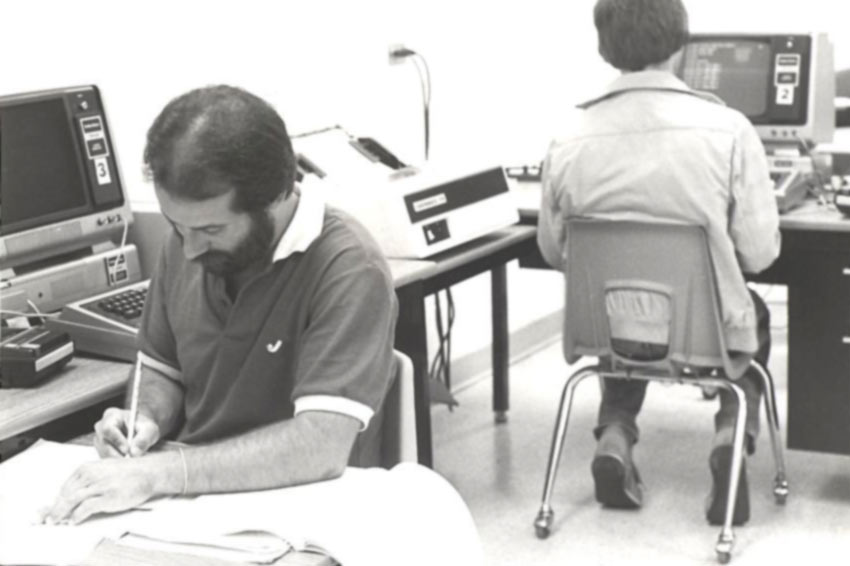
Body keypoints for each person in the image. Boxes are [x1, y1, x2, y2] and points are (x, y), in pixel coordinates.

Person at [44, 85, 399, 524]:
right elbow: (160, 367)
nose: (189, 250)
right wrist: (145, 417)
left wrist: (160, 473)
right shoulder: (188, 241)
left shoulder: (349, 267)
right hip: (188, 500)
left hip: (302, 508)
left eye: (211, 230)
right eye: (177, 226)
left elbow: (321, 446)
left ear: (275, 198)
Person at [537, 0, 780, 525]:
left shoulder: (566, 138)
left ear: (605, 47)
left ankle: (616, 436)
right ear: (680, 42)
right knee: (753, 313)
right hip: (709, 332)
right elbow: (761, 253)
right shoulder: (729, 131)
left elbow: (555, 252)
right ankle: (729, 437)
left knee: (630, 311)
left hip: (611, 331)